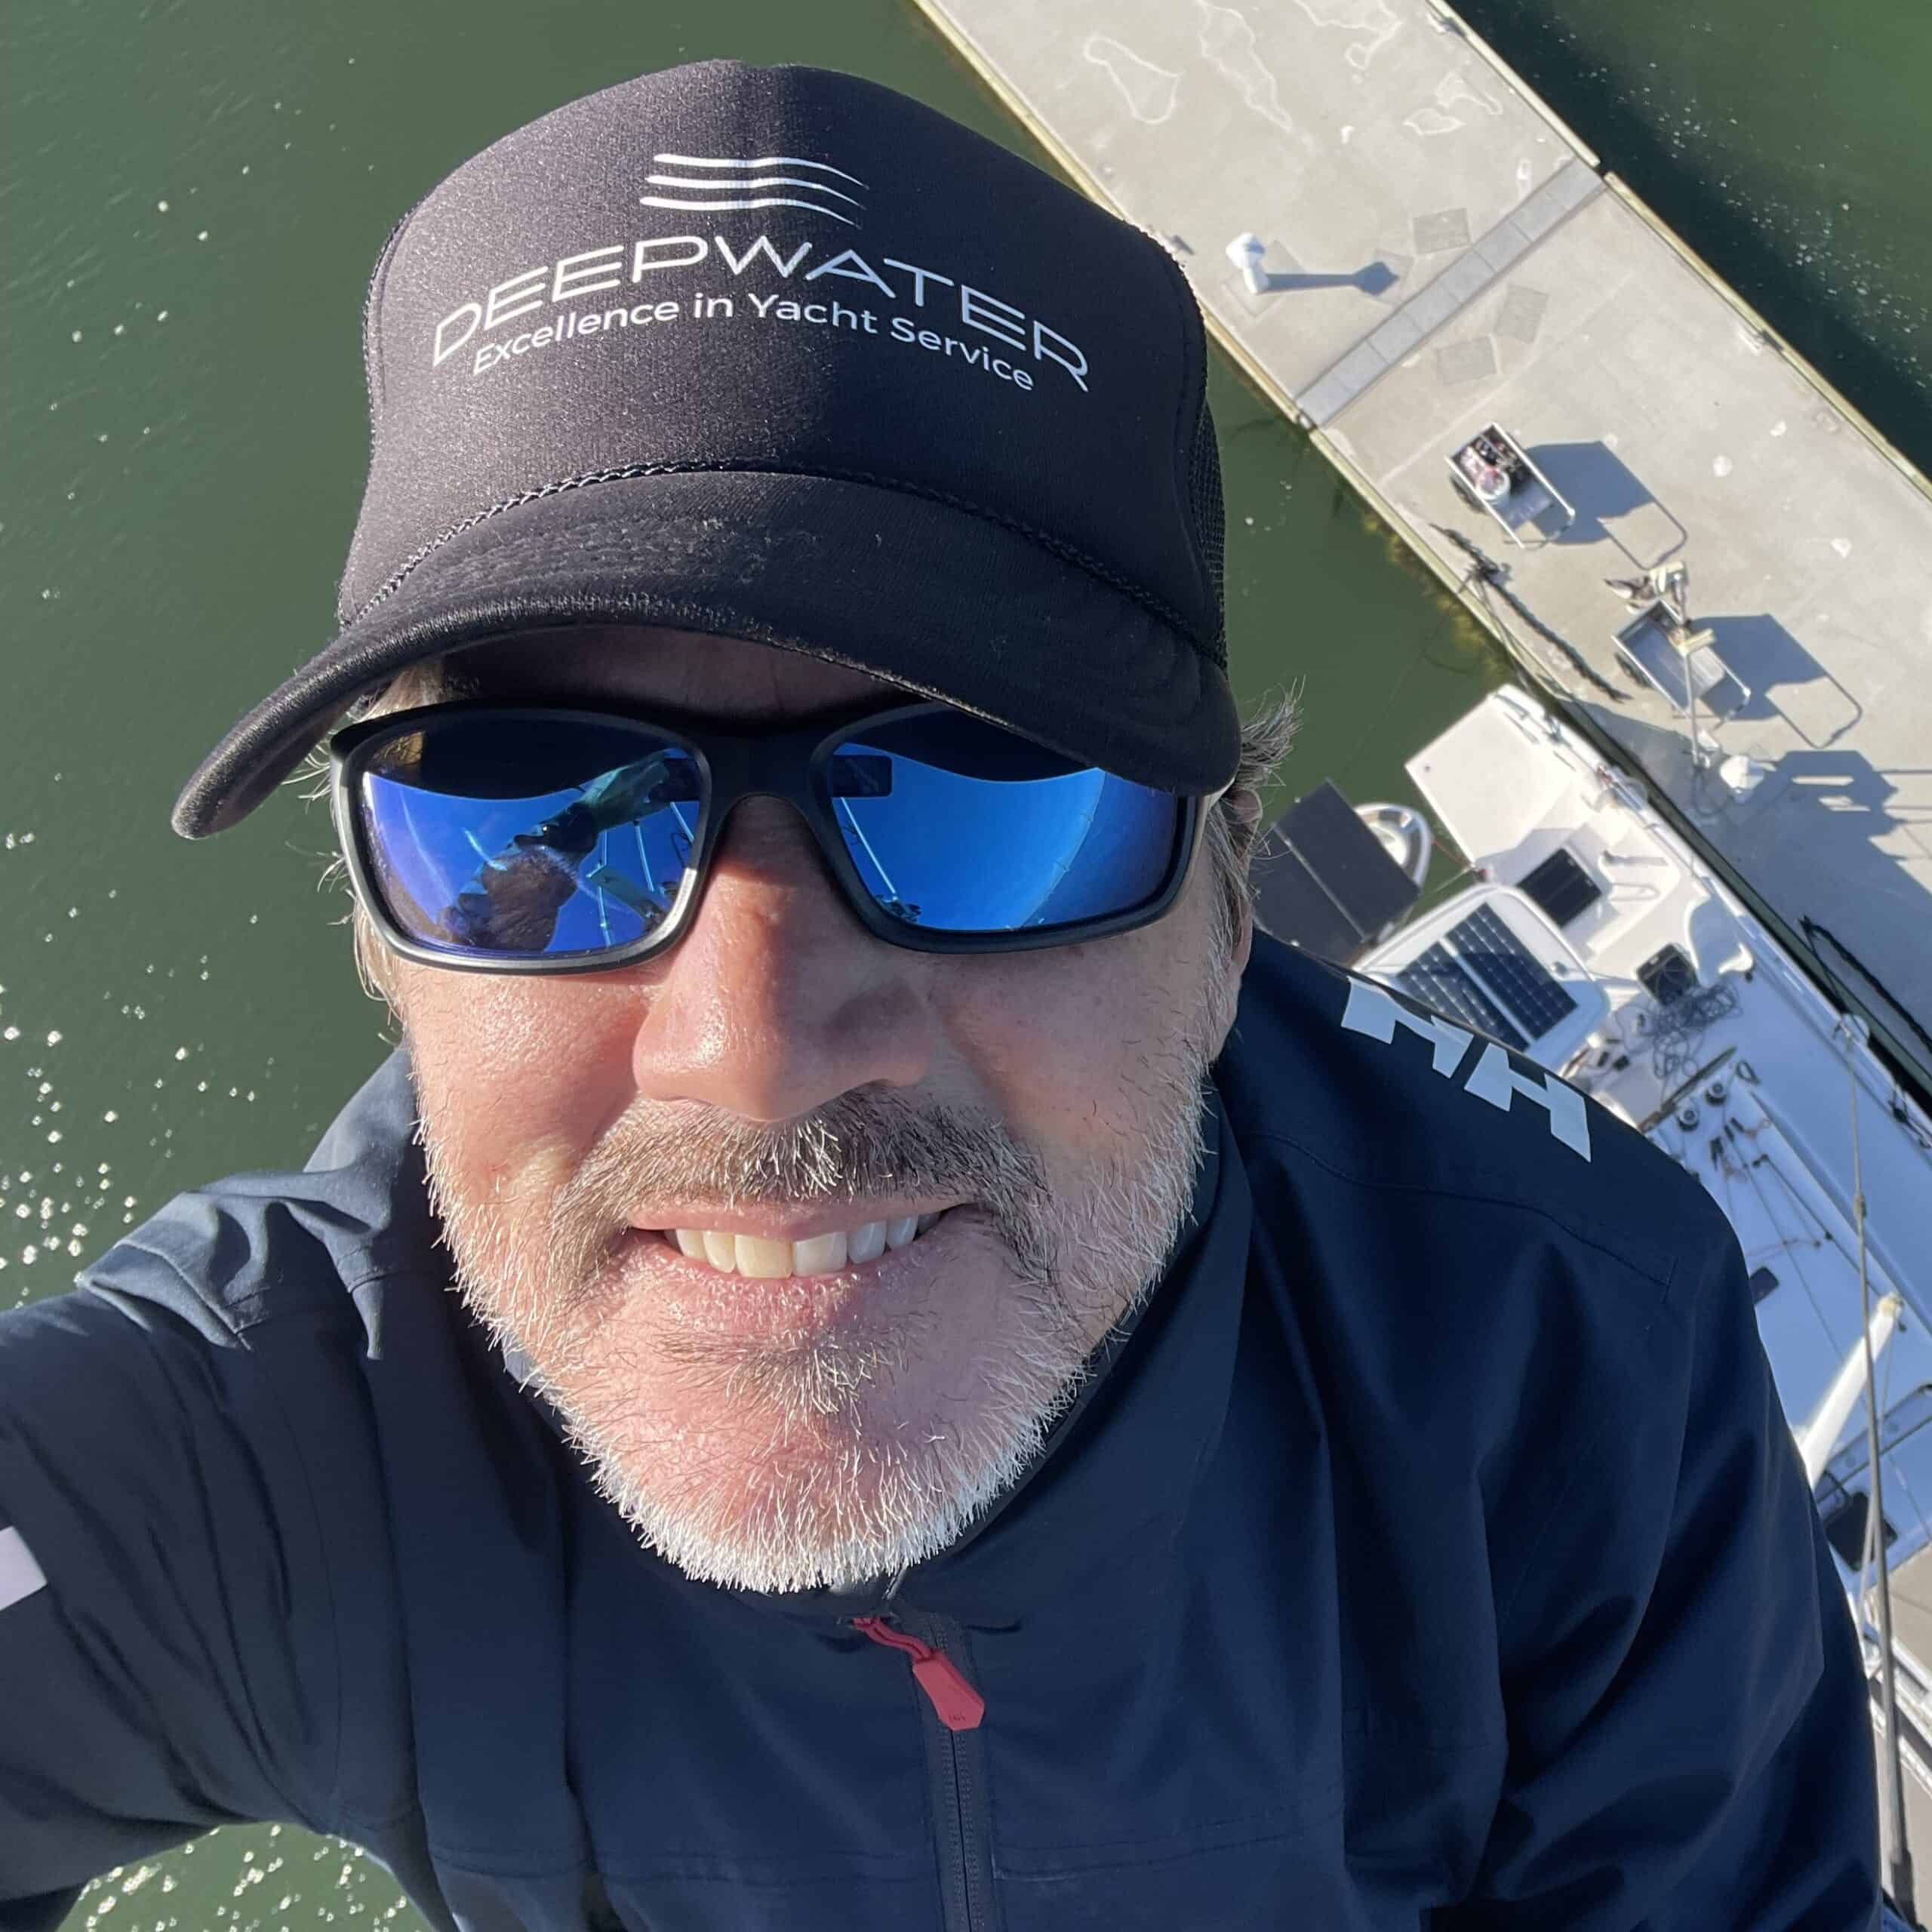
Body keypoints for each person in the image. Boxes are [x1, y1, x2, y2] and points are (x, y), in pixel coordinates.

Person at [0, 57, 1880, 1932]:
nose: (747, 1049)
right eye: (536, 809)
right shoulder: (263, 1447)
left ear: (1228, 902)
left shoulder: (1563, 1355)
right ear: (388, 944)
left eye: (996, 793)